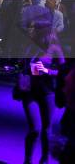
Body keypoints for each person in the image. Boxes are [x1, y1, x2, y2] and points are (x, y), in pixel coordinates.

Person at [15, 27, 65, 164]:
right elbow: (21, 65)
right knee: (34, 129)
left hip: (47, 92)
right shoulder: (29, 47)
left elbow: (63, 73)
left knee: (46, 130)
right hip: (29, 91)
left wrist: (47, 71)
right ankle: (28, 160)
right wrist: (20, 67)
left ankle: (44, 159)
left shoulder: (55, 49)